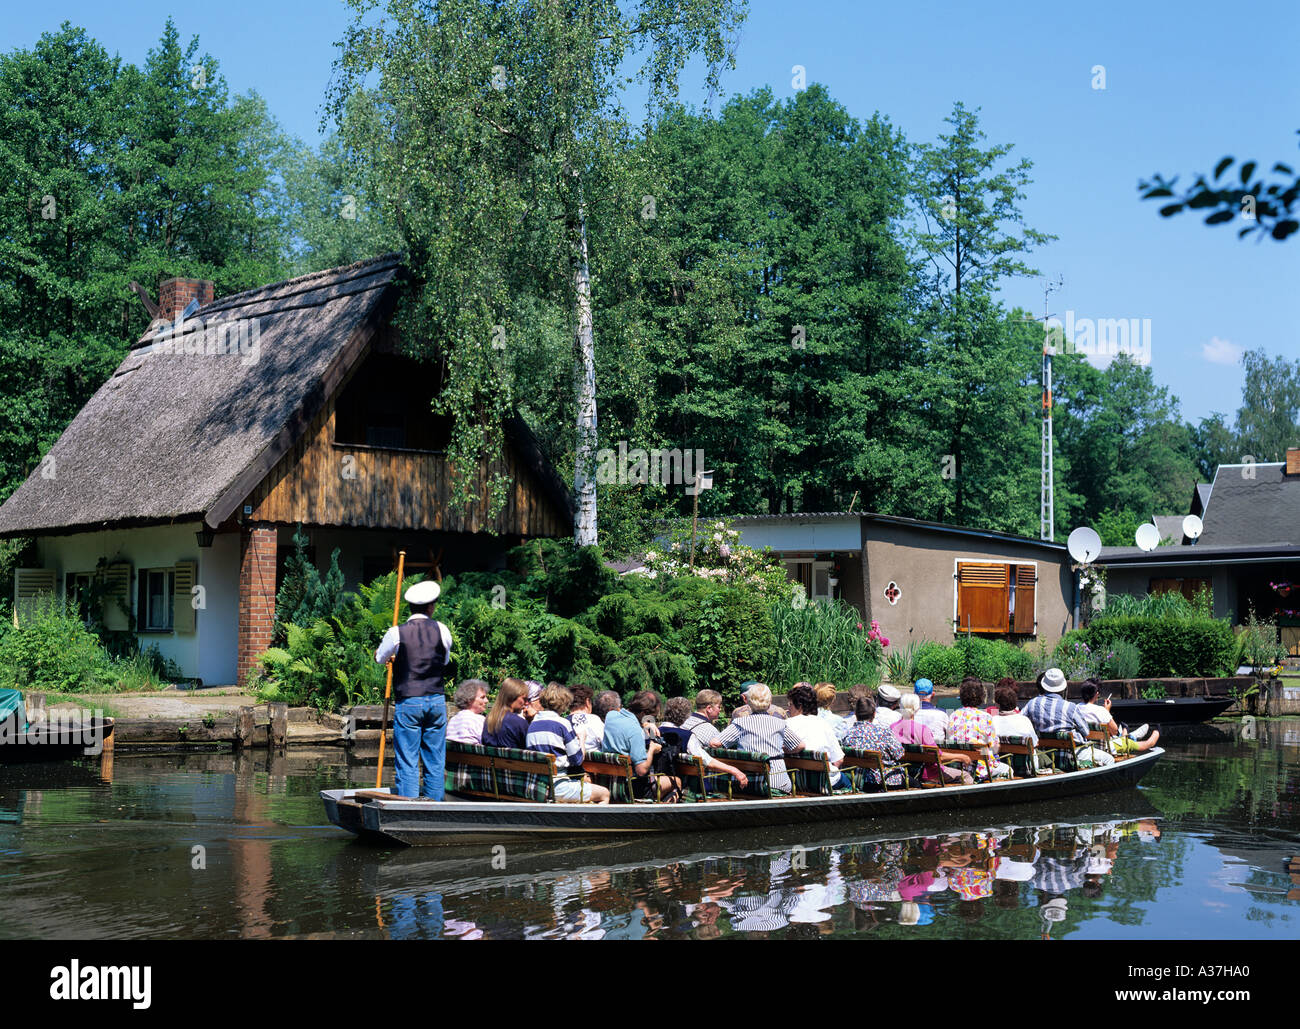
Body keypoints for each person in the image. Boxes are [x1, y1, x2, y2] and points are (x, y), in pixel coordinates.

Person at [375, 580, 453, 799]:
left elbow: (380, 658)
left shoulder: (396, 632)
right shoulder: (442, 629)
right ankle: (434, 808)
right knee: (435, 759)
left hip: (409, 701)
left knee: (408, 760)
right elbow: (444, 661)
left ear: (411, 607)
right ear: (431, 607)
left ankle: (409, 807)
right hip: (436, 700)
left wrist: (384, 656)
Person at [713, 683, 804, 794]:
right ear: (770, 702)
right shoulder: (780, 723)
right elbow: (800, 745)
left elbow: (714, 743)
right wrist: (783, 750)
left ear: (748, 702)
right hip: (777, 783)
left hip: (748, 784)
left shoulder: (740, 723)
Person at [526, 683, 609, 803]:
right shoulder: (562, 724)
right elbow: (577, 760)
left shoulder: (532, 724)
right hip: (558, 786)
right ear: (564, 703)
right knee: (604, 794)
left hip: (538, 784)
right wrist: (581, 738)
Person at [596, 690, 678, 800]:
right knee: (676, 781)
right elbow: (641, 770)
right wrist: (652, 750)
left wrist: (645, 723)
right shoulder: (636, 732)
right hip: (629, 788)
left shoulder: (611, 716)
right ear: (644, 713)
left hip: (608, 783)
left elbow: (627, 725)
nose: (651, 719)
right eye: (652, 716)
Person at [1022, 668, 1113, 768]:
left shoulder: (1032, 703)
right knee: (1109, 759)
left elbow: (1021, 722)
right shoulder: (1070, 707)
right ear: (1063, 687)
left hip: (1044, 754)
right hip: (1069, 755)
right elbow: (1086, 732)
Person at [679, 690, 749, 789]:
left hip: (681, 774)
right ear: (709, 708)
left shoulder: (683, 721)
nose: (720, 710)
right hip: (699, 781)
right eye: (719, 707)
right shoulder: (710, 731)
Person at [892, 693, 967, 785]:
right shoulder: (922, 730)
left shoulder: (892, 728)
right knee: (966, 776)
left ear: (900, 706)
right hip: (928, 773)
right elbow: (938, 756)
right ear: (917, 708)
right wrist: (961, 757)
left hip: (902, 771)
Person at [785, 683, 848, 789]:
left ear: (799, 706)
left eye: (790, 704)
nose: (788, 707)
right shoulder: (822, 723)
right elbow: (839, 759)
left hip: (796, 784)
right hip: (825, 783)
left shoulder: (785, 724)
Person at [946, 678, 1009, 779]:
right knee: (1007, 769)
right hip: (980, 768)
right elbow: (994, 746)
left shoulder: (953, 715)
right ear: (981, 696)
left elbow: (950, 738)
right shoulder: (985, 717)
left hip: (958, 765)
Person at [1078, 680, 1159, 754]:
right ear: (1097, 694)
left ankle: (1129, 734)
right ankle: (1148, 742)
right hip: (1104, 748)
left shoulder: (1075, 709)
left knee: (1120, 737)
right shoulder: (1101, 711)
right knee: (1128, 743)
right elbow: (1115, 731)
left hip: (1084, 746)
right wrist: (1107, 711)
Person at [841, 695, 905, 789]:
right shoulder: (883, 732)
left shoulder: (847, 735)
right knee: (915, 783)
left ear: (855, 714)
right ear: (874, 714)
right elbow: (899, 754)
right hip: (885, 780)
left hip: (859, 781)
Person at [482, 677, 530, 749]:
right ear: (512, 697)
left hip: (489, 760)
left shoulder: (489, 719)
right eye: (524, 699)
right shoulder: (519, 722)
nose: (526, 703)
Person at [446, 678, 489, 744]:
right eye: (482, 697)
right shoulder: (479, 720)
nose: (486, 701)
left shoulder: (453, 720)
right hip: (474, 754)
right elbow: (488, 742)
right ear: (469, 700)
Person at [568, 684, 604, 753]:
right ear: (587, 702)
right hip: (594, 763)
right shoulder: (594, 720)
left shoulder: (564, 722)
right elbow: (606, 744)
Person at [914, 679, 948, 743]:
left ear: (914, 694)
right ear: (933, 695)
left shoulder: (907, 715)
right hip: (936, 751)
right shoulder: (942, 714)